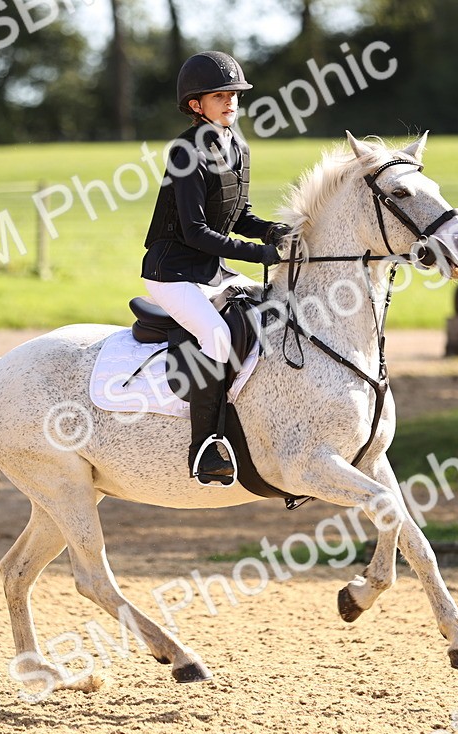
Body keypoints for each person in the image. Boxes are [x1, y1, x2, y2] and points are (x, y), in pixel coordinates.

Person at [141, 51, 291, 485]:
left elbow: (240, 214)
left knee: (278, 310)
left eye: (234, 95)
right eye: (219, 96)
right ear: (195, 105)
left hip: (212, 269)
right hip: (171, 272)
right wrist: (259, 255)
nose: (230, 102)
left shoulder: (237, 146)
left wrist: (272, 231)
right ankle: (205, 447)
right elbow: (194, 231)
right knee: (219, 336)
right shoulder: (185, 152)